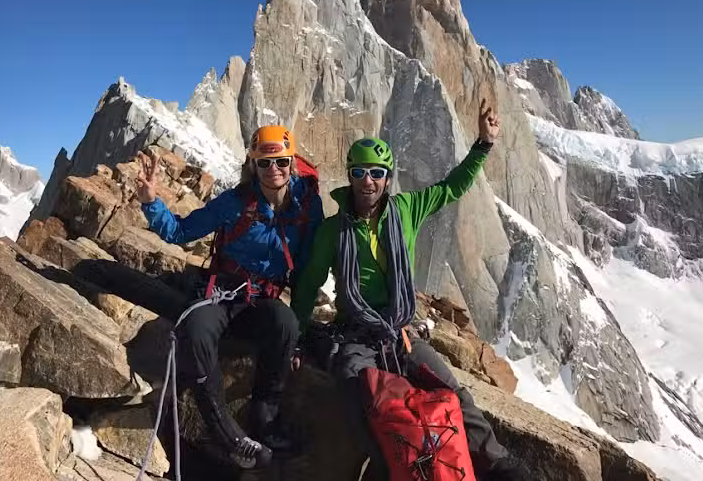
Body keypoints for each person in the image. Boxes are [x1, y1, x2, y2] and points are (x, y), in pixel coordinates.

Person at [291, 100, 527, 481]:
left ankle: (502, 466)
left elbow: (451, 187)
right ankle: (388, 467)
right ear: (350, 176)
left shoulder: (405, 210)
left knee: (455, 394)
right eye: (359, 172)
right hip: (356, 336)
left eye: (376, 173)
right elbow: (307, 286)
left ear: (387, 178)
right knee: (356, 395)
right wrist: (296, 337)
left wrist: (483, 144)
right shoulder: (333, 231)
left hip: (402, 332)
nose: (368, 181)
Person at [136, 125, 323, 470]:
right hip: (222, 294)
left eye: (281, 162)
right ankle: (229, 435)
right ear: (253, 165)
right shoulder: (236, 202)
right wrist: (151, 202)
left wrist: (302, 331)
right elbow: (180, 231)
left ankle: (265, 415)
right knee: (196, 331)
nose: (273, 170)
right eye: (264, 163)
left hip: (262, 301)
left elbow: (308, 266)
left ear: (292, 163)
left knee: (286, 324)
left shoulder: (307, 206)